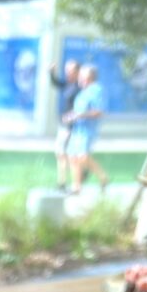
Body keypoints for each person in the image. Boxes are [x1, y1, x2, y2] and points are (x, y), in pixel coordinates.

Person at [66, 64, 109, 195]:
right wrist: (70, 116)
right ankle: (76, 186)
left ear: (88, 77)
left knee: (83, 157)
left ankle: (103, 177)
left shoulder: (97, 90)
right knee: (72, 157)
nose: (78, 78)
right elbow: (79, 110)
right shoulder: (83, 92)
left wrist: (79, 115)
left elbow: (99, 111)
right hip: (77, 129)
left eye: (81, 76)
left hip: (87, 130)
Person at [49, 59, 79, 189]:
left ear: (77, 72)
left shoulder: (79, 88)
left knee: (64, 153)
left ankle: (67, 181)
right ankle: (63, 181)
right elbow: (55, 83)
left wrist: (71, 120)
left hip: (70, 127)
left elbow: (80, 108)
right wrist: (51, 72)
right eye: (66, 70)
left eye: (70, 71)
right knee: (60, 153)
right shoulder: (67, 84)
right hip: (63, 125)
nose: (67, 73)